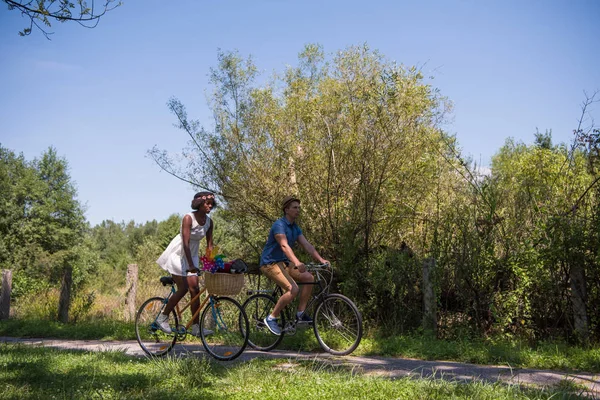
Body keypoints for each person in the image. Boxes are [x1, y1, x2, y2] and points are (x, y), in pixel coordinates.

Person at [259, 196, 329, 335]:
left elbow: (307, 245)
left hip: (284, 263)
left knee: (309, 277)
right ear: (286, 210)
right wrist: (297, 262)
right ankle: (271, 318)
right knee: (293, 289)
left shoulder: (295, 228)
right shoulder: (279, 225)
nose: (298, 210)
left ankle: (300, 313)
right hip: (270, 263)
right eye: (295, 207)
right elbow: (284, 246)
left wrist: (321, 260)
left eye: (299, 207)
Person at [155, 191, 216, 336]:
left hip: (192, 255)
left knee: (195, 290)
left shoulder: (209, 222)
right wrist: (190, 265)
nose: (210, 206)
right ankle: (163, 317)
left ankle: (196, 327)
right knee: (183, 288)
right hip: (179, 253)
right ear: (199, 204)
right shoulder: (188, 218)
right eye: (207, 203)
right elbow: (186, 243)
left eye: (212, 204)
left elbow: (209, 245)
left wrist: (211, 264)